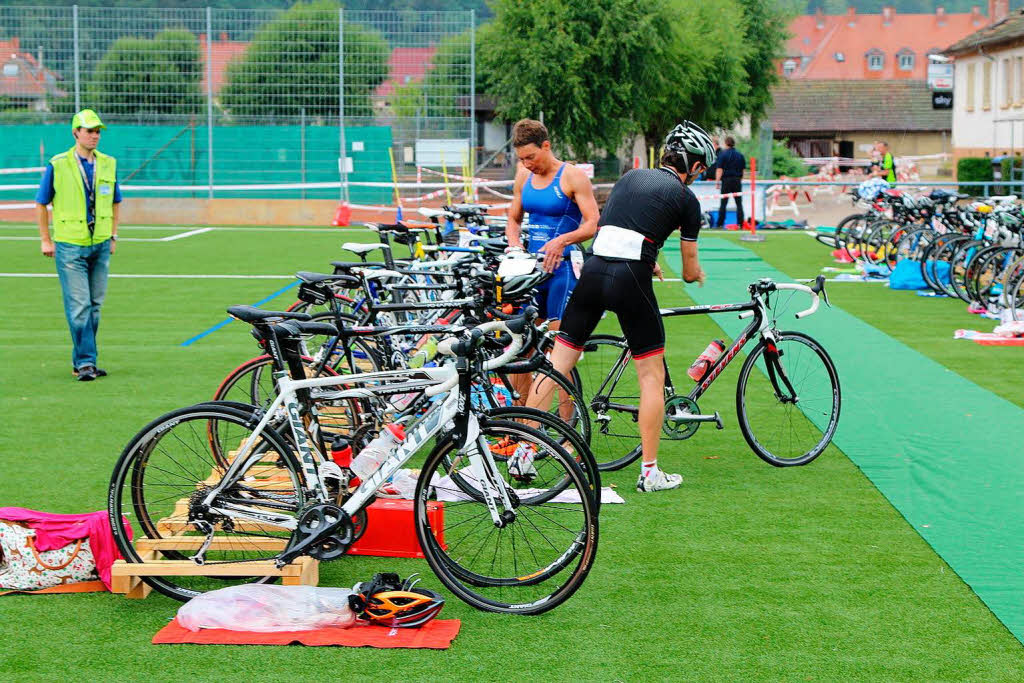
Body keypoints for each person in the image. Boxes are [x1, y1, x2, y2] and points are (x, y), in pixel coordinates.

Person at [526, 120, 715, 493]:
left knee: (557, 365)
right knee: (650, 376)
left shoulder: (630, 177)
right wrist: (694, 276)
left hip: (594, 270)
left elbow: (616, 229)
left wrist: (648, 256)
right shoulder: (687, 199)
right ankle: (649, 472)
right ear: (693, 166)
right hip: (630, 279)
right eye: (701, 169)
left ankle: (523, 449)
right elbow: (690, 268)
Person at [36, 109, 122, 381]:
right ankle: (86, 362)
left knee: (94, 305)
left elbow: (117, 201)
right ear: (76, 133)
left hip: (99, 243)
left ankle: (83, 361)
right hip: (70, 245)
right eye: (89, 131)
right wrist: (45, 239)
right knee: (80, 305)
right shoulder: (58, 163)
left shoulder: (108, 163)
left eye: (97, 131)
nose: (95, 136)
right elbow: (41, 202)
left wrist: (113, 235)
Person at [504, 119, 599, 329]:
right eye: (522, 159)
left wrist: (562, 241)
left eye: (531, 157)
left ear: (546, 146)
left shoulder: (573, 176)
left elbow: (593, 224)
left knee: (556, 338)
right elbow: (513, 218)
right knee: (526, 338)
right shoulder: (523, 175)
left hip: (562, 267)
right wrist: (514, 243)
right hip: (532, 267)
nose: (528, 164)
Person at [714, 136, 745, 228]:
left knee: (723, 203)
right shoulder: (740, 155)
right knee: (739, 203)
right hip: (737, 180)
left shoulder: (723, 154)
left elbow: (719, 169)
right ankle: (740, 223)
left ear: (726, 143)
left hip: (726, 180)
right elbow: (743, 170)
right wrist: (740, 180)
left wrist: (717, 182)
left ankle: (720, 224)